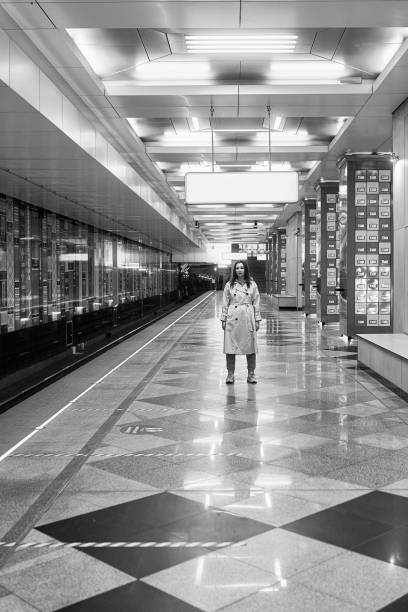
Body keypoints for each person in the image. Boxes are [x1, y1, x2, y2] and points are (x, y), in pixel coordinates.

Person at [220, 260, 261, 384]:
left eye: (242, 268)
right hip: (233, 318)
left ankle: (251, 374)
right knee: (230, 348)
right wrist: (223, 318)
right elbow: (225, 303)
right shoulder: (229, 285)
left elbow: (256, 302)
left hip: (248, 317)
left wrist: (257, 319)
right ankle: (230, 374)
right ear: (234, 270)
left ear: (245, 270)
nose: (239, 270)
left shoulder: (252, 285)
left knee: (251, 348)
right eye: (237, 268)